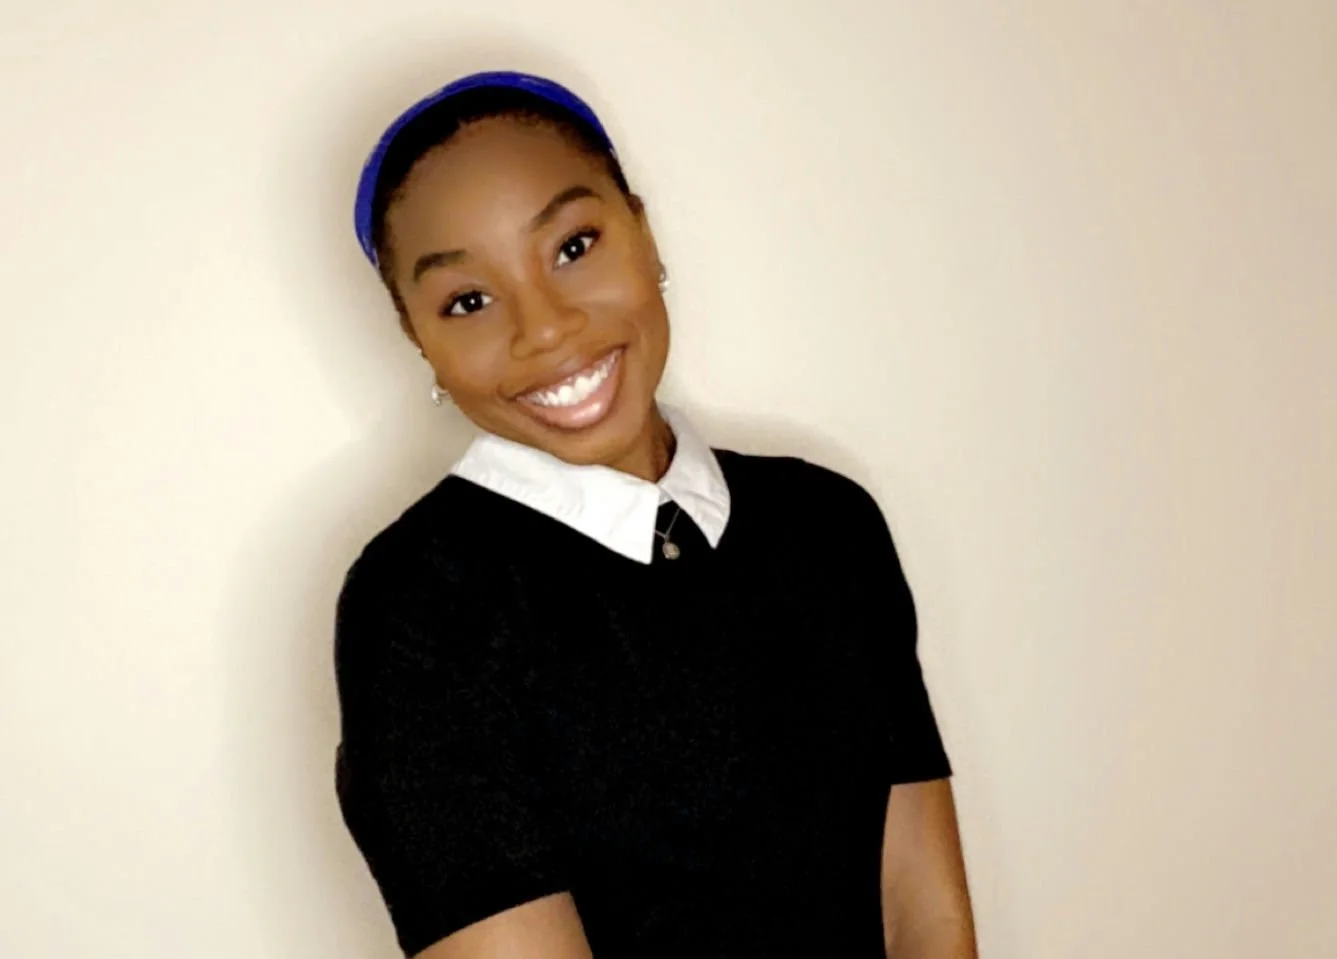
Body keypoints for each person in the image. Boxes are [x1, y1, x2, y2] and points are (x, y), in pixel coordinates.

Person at [333, 71, 977, 959]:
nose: (546, 328)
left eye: (573, 245)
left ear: (642, 228)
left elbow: (924, 914)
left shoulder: (828, 525)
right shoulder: (421, 606)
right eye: (467, 301)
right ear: (419, 340)